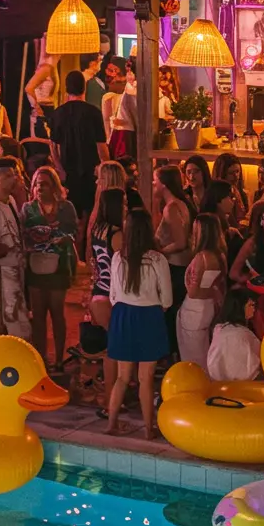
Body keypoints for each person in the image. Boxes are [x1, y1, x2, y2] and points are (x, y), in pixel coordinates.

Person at [107, 207, 171, 438]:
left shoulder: (117, 258)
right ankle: (148, 428)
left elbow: (113, 295)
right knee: (146, 379)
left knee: (122, 377)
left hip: (123, 315)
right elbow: (167, 298)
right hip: (148, 316)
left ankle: (111, 423)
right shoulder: (157, 259)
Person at [21, 165, 78, 370]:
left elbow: (73, 232)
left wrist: (62, 238)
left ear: (54, 186)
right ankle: (40, 358)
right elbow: (24, 235)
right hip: (36, 264)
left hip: (59, 264)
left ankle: (60, 359)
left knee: (56, 312)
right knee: (37, 315)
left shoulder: (66, 207)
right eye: (37, 184)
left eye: (44, 184)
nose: (40, 188)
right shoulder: (28, 209)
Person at [48, 70, 109, 232]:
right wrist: (106, 167)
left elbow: (53, 146)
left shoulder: (57, 114)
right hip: (91, 171)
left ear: (66, 89)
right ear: (84, 88)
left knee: (71, 215)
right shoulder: (94, 113)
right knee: (91, 215)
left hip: (68, 171)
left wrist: (59, 168)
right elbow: (101, 146)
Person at [0, 156, 31, 338]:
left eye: (14, 175)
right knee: (2, 319)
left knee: (16, 318)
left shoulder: (10, 200)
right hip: (0, 274)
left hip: (15, 270)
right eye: (8, 176)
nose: (14, 179)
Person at [89, 185, 125, 405]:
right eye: (124, 204)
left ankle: (111, 395)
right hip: (111, 295)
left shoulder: (98, 229)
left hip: (98, 293)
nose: (126, 208)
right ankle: (112, 398)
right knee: (113, 351)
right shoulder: (116, 233)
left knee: (109, 350)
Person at [176, 212, 227, 368]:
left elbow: (193, 291)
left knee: (191, 356)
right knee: (204, 350)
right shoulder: (220, 256)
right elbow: (217, 285)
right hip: (208, 307)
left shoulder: (201, 258)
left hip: (193, 308)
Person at [154, 163, 195, 352]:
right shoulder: (180, 203)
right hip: (179, 266)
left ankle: (171, 355)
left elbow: (180, 243)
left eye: (155, 181)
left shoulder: (171, 208)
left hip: (175, 268)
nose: (154, 185)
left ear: (163, 184)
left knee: (170, 313)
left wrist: (159, 252)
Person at [207, 287, 261, 381]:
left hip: (217, 383)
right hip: (239, 385)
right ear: (240, 307)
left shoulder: (220, 328)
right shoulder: (240, 334)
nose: (254, 309)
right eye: (251, 305)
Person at [211, 152, 249, 226]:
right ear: (221, 174)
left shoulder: (240, 193)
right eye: (231, 173)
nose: (236, 176)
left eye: (237, 172)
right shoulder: (218, 200)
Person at [25, 52, 59, 133]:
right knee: (43, 141)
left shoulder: (52, 66)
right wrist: (37, 107)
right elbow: (28, 89)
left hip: (49, 108)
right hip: (44, 109)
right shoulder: (46, 67)